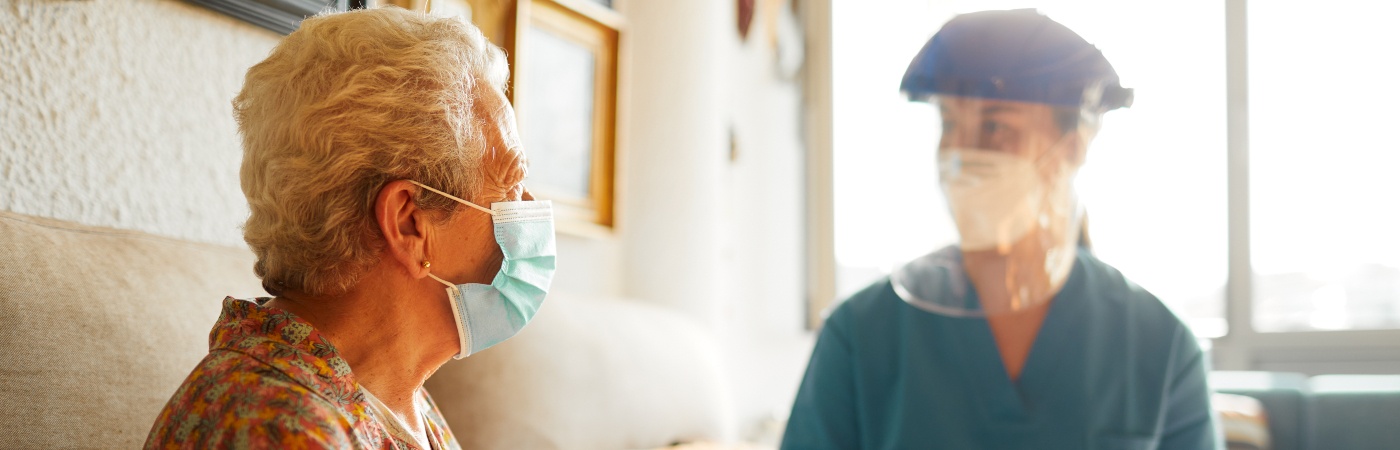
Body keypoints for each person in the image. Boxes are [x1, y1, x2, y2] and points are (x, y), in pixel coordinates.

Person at [782, 9, 1219, 449]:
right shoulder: (861, 335)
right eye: (950, 124)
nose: (960, 152)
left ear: (1071, 147)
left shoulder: (1158, 345)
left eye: (995, 126)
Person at [145, 7, 555, 449]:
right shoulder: (275, 427)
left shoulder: (395, 397)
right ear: (408, 223)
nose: (528, 205)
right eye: (511, 181)